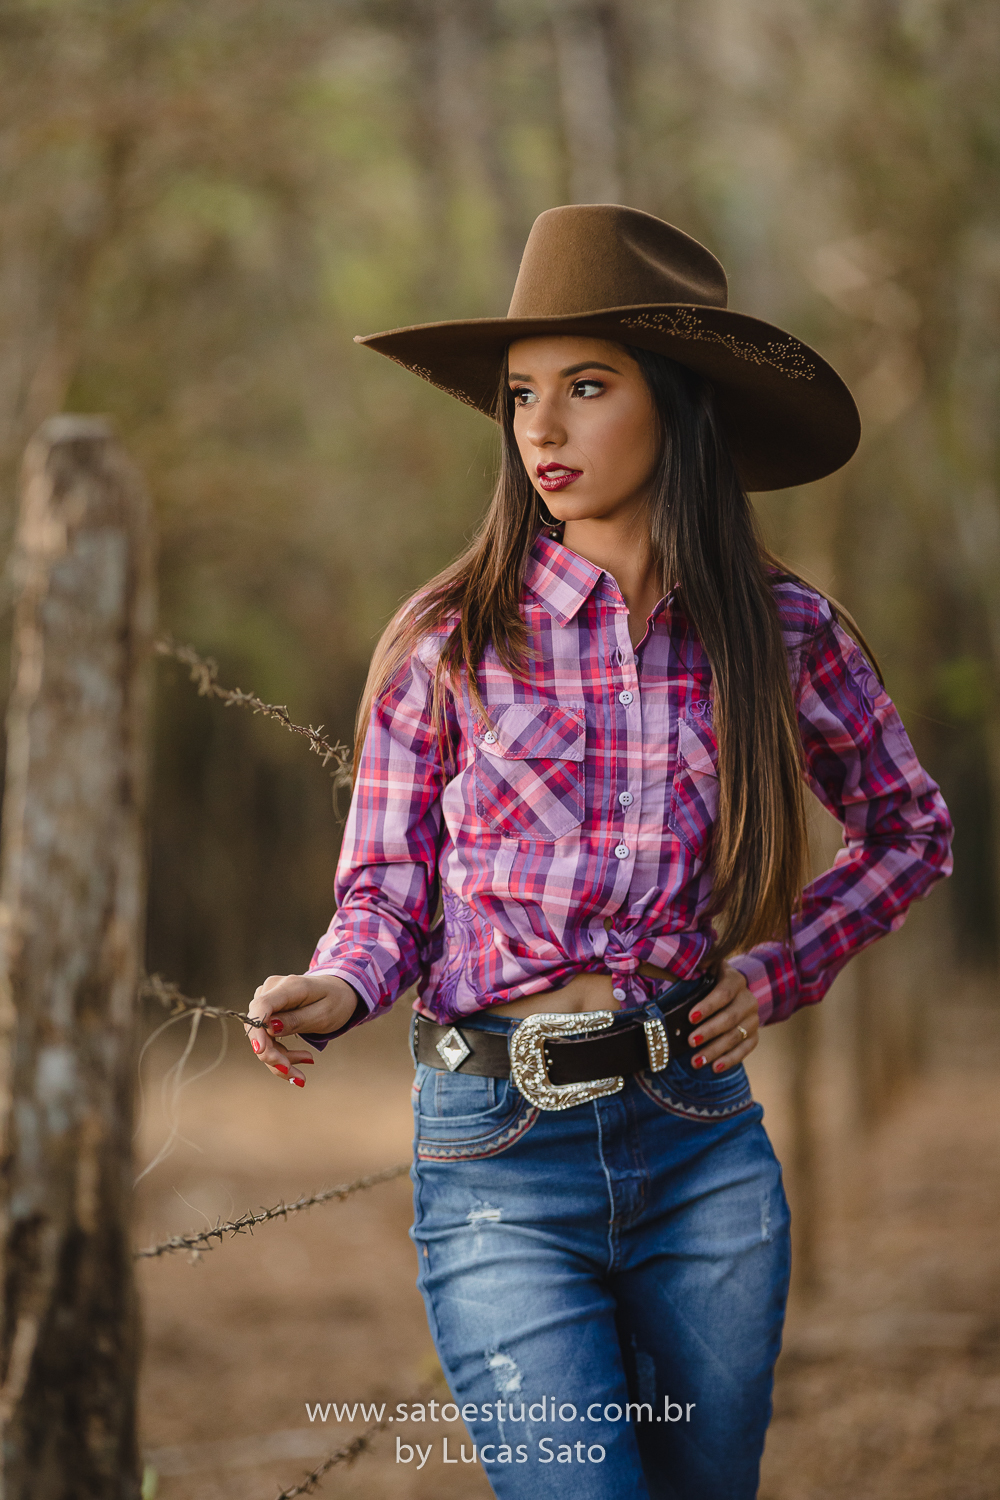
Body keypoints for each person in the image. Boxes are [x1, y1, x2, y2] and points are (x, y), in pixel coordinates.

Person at [245, 206, 953, 1499]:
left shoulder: (784, 631)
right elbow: (388, 886)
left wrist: (784, 964)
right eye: (521, 396)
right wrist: (336, 987)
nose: (543, 430)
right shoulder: (450, 635)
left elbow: (913, 827)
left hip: (702, 1145)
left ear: (679, 407)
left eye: (586, 387)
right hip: (495, 1147)